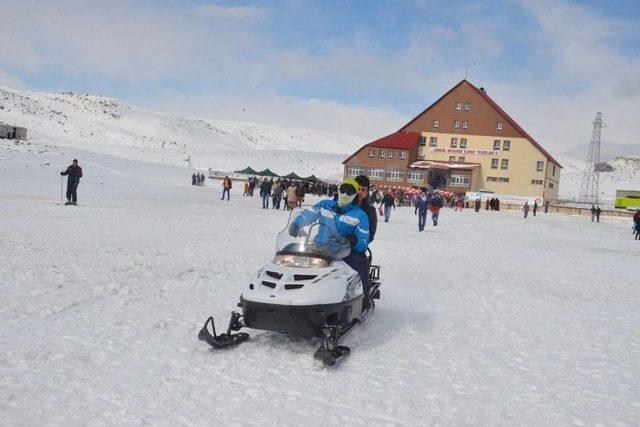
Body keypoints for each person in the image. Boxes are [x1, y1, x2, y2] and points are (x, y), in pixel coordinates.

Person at [289, 178, 370, 308]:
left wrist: (355, 240)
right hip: (319, 247)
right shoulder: (325, 205)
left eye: (350, 192)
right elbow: (308, 214)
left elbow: (364, 240)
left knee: (358, 264)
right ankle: (289, 292)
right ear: (339, 189)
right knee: (290, 256)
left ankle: (362, 299)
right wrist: (297, 224)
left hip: (344, 252)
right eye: (343, 190)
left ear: (355, 195)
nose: (345, 194)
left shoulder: (360, 215)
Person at [354, 175, 377, 243]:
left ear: (367, 192)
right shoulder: (344, 205)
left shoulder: (370, 211)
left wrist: (357, 243)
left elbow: (371, 234)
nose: (360, 192)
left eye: (363, 189)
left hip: (357, 249)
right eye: (358, 189)